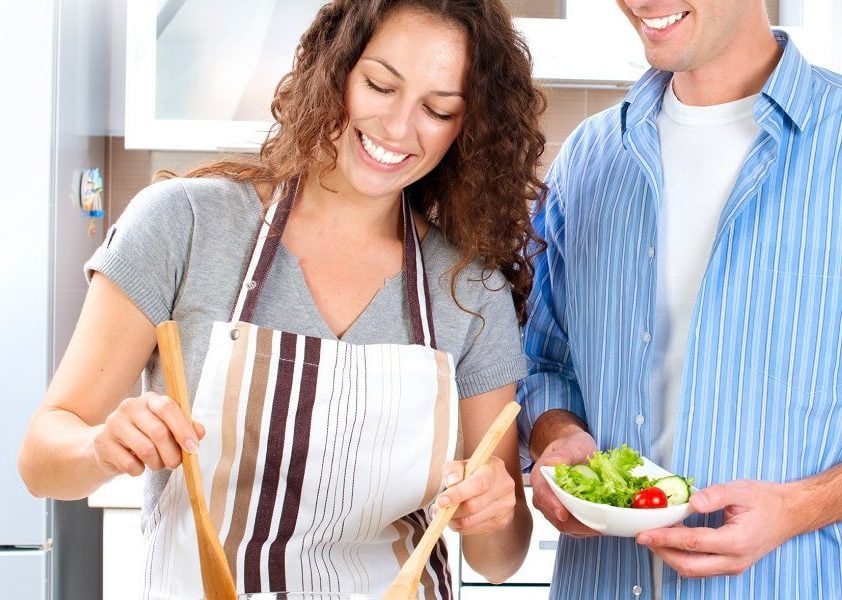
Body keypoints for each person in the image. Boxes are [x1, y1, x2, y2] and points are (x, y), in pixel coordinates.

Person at [18, 0, 547, 597]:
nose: (400, 127)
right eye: (379, 85)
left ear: (465, 128)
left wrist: (497, 511)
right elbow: (42, 461)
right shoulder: (183, 226)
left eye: (437, 109)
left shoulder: (469, 289)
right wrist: (99, 445)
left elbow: (500, 561)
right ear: (337, 69)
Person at [518, 0, 842, 598]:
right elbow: (545, 363)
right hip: (606, 581)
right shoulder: (589, 159)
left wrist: (800, 507)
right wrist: (557, 437)